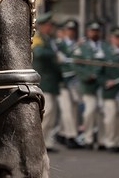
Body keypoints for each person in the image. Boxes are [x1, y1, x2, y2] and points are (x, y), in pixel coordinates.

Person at [32, 12, 63, 152]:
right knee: (48, 112)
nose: (51, 28)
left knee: (52, 114)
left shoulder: (49, 40)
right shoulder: (39, 39)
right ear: (43, 26)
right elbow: (38, 53)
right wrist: (55, 55)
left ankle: (47, 142)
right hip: (44, 81)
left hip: (52, 82)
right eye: (49, 25)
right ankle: (40, 142)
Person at [74, 21, 107, 148]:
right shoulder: (82, 47)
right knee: (89, 112)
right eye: (92, 31)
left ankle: (102, 140)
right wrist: (87, 76)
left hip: (102, 85)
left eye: (97, 31)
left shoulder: (105, 46)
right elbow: (76, 65)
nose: (95, 33)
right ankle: (88, 138)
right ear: (88, 32)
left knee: (103, 113)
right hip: (88, 85)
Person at [56, 19, 82, 148]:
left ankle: (62, 133)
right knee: (67, 109)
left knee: (74, 109)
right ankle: (71, 136)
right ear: (64, 31)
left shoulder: (78, 45)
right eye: (69, 30)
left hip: (75, 82)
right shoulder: (59, 45)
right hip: (63, 82)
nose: (71, 33)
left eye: (73, 30)